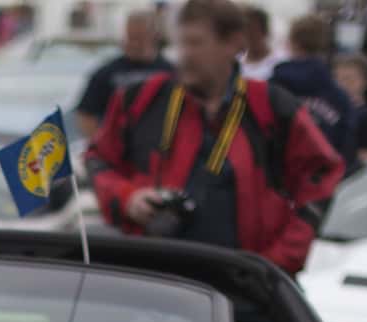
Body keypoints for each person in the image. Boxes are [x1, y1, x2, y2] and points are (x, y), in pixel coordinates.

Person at [85, 0, 343, 273]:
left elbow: (322, 176)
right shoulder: (141, 100)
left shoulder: (271, 106)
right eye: (181, 43)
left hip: (242, 282)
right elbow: (98, 160)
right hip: (156, 277)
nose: (185, 54)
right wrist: (127, 198)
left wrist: (279, 260)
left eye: (196, 43)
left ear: (234, 44)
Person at [273, 15, 357, 170]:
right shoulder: (340, 98)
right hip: (323, 178)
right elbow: (347, 149)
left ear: (293, 42)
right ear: (324, 45)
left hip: (279, 175)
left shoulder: (271, 88)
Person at [76, 10, 173, 139]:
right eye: (130, 37)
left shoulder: (171, 72)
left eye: (139, 37)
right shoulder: (107, 73)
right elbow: (86, 114)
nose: (134, 43)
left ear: (154, 36)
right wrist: (99, 144)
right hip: (118, 145)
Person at [332, 52, 367, 169]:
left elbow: (366, 156)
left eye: (349, 79)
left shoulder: (366, 116)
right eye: (337, 79)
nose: (342, 85)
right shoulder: (330, 112)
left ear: (365, 81)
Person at [240, 5, 284, 77]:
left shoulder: (281, 62)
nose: (248, 35)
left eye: (253, 30)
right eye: (244, 30)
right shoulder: (236, 61)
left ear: (265, 31)